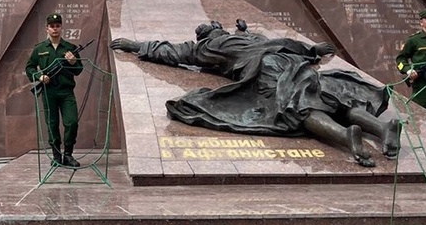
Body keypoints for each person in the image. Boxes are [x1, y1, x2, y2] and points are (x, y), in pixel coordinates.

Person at [110, 20, 400, 167]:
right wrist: (312, 51)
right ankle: (380, 127)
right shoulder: (251, 36)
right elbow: (286, 42)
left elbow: (173, 52)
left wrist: (136, 46)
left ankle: (344, 137)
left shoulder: (211, 47)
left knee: (293, 108)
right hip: (293, 61)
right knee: (332, 96)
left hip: (271, 68)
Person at [24, 13, 83, 167]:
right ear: (47, 28)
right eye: (52, 26)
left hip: (66, 91)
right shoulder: (40, 49)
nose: (55, 29)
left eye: (57, 26)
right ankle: (56, 156)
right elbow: (29, 67)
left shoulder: (70, 48)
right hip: (49, 91)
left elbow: (78, 70)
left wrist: (73, 61)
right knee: (52, 124)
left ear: (61, 27)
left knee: (72, 122)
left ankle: (68, 155)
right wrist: (39, 77)